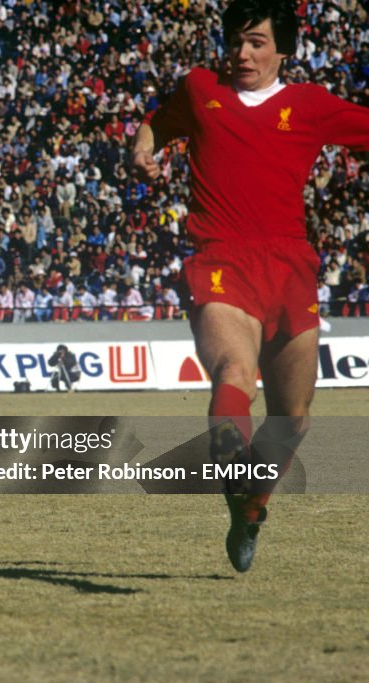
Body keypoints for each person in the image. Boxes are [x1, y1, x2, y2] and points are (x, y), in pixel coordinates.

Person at [131, 0, 369, 572]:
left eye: (257, 43)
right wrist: (143, 148)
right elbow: (159, 122)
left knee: (293, 419)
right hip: (220, 258)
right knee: (233, 373)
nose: (243, 54)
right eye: (236, 41)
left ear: (282, 50)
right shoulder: (199, 89)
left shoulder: (310, 106)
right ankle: (230, 460)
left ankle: (250, 508)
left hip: (290, 269)